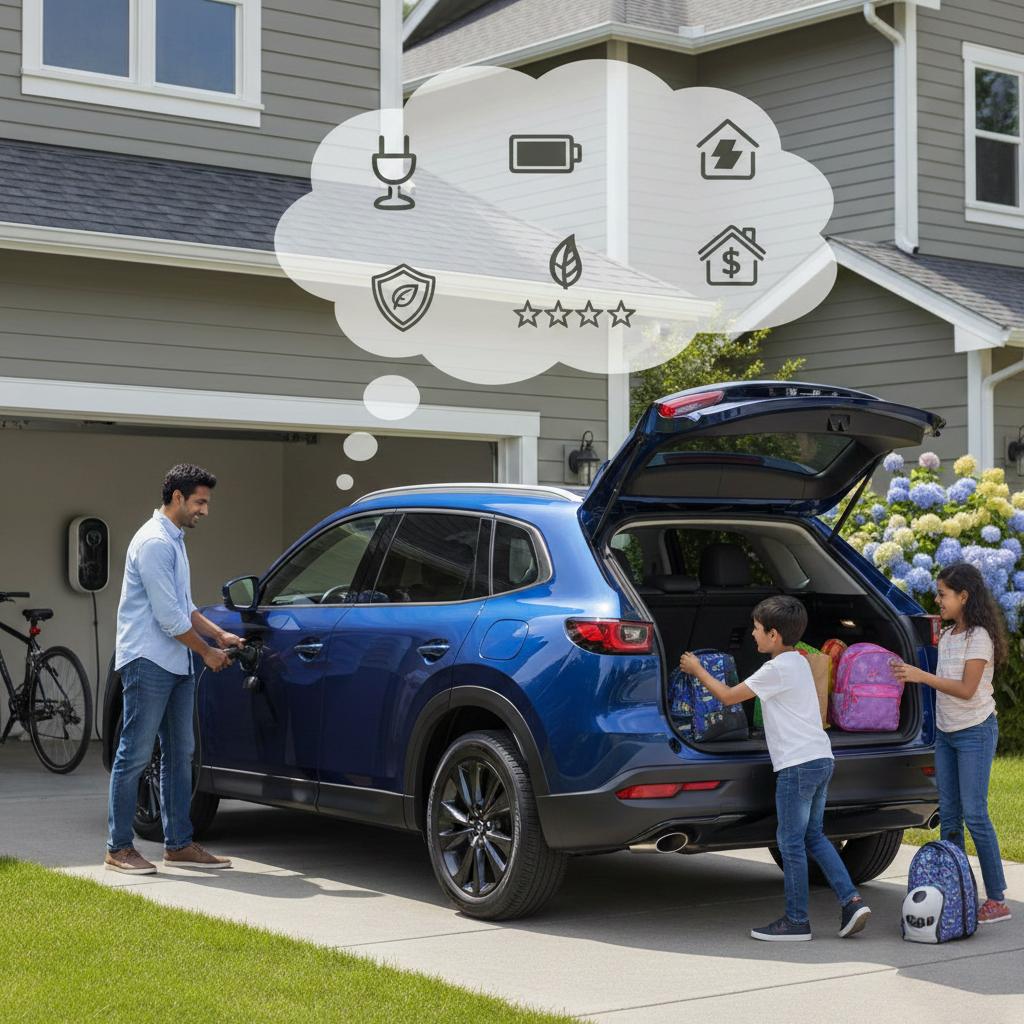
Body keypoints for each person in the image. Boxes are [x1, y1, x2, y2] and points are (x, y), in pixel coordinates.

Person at [680, 595, 870, 941]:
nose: (753, 635)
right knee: (814, 834)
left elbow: (727, 696)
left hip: (797, 766)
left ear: (773, 634)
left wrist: (697, 669)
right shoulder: (799, 661)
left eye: (756, 629)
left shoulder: (775, 669)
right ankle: (851, 900)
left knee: (790, 841)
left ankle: (796, 920)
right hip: (820, 758)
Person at [105, 464, 242, 875]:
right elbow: (168, 618)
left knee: (180, 753)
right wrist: (207, 653)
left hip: (175, 661)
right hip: (148, 660)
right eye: (200, 502)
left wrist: (221, 636)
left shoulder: (175, 541)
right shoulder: (153, 543)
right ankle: (118, 848)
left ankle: (178, 844)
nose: (205, 510)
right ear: (178, 498)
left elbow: (186, 607)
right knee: (134, 754)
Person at [893, 561, 1010, 924]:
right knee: (951, 816)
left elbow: (965, 689)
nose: (937, 599)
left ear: (964, 596)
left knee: (975, 814)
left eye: (943, 594)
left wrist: (919, 676)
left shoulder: (979, 638)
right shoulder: (948, 635)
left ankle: (996, 898)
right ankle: (955, 888)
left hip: (975, 731)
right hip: (947, 732)